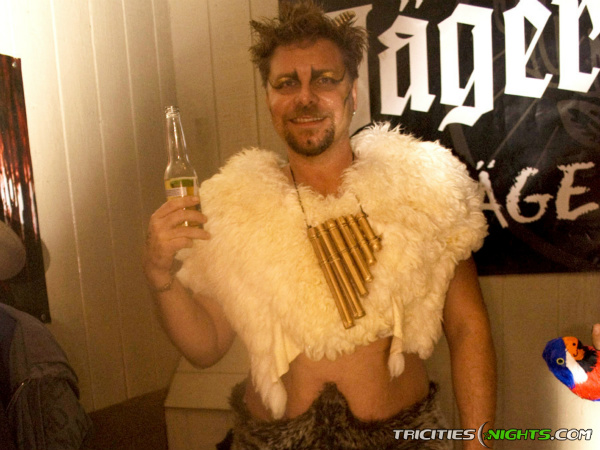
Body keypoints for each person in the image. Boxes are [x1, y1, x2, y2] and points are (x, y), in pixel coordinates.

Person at [143, 1, 496, 448]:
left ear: (352, 93)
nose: (305, 97)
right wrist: (158, 274)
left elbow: (468, 328)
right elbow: (206, 346)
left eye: (325, 80)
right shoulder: (234, 206)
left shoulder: (423, 188)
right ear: (269, 98)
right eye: (286, 83)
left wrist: (478, 445)